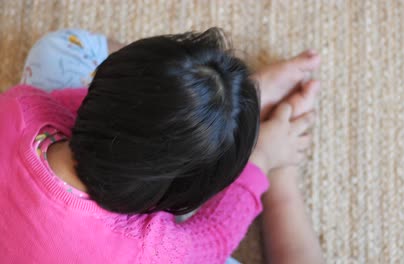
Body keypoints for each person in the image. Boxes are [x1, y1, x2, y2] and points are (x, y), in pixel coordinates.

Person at [0, 28, 323, 263]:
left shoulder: (22, 105)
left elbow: (110, 115)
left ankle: (224, 110)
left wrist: (208, 112)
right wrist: (262, 158)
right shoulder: (151, 249)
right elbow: (214, 235)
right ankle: (282, 181)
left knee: (56, 51)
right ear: (183, 196)